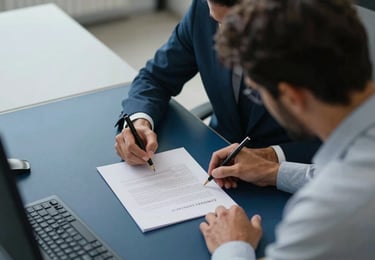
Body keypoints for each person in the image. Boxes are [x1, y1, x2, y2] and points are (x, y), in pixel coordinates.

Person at [200, 0, 375, 260]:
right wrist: (273, 172)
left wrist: (232, 246)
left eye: (256, 92)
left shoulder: (326, 213)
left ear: (292, 97)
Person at [115, 0, 320, 186]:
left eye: (235, 26)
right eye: (218, 22)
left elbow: (342, 136)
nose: (223, 39)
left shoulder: (315, 32)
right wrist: (139, 121)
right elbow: (156, 77)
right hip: (214, 157)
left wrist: (272, 156)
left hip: (295, 177)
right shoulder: (203, 10)